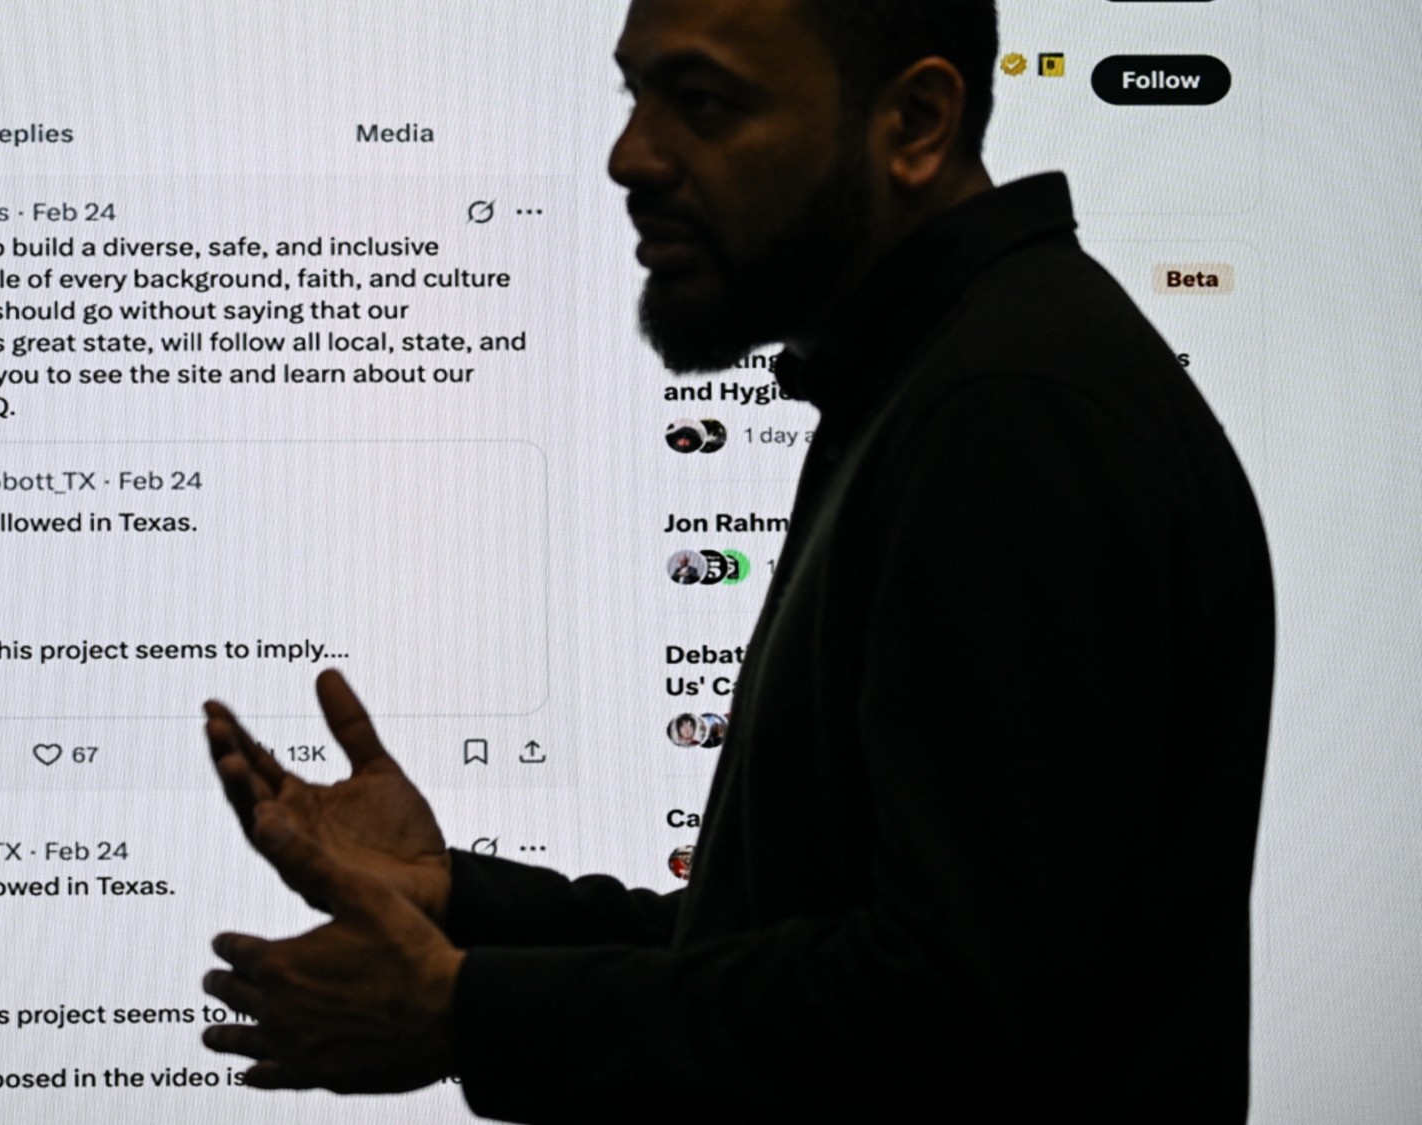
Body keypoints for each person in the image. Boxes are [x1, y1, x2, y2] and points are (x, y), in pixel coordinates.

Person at [197, 0, 1274, 1120]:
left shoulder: (1008, 414)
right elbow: (786, 939)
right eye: (634, 95)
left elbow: (955, 1016)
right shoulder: (932, 378)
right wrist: (456, 898)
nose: (629, 156)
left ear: (914, 121)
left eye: (702, 104)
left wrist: (463, 1012)